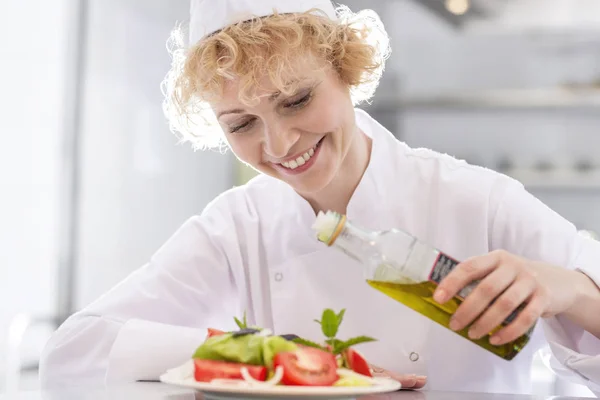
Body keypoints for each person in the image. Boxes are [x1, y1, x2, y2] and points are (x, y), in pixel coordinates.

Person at [39, 0, 600, 395]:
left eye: (296, 100)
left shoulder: (476, 200)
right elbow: (73, 355)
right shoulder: (239, 224)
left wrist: (572, 289)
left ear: (345, 69)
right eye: (240, 124)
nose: (278, 144)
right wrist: (266, 355)